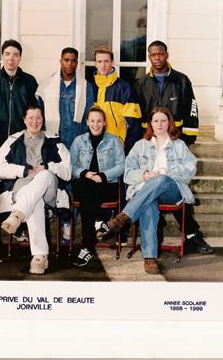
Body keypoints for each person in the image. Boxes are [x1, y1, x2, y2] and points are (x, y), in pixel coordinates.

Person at [133, 40, 212, 254]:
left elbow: (192, 111)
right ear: (149, 57)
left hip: (175, 142)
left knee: (176, 187)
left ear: (167, 54)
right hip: (150, 143)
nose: (157, 58)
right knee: (155, 186)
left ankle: (192, 235)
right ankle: (155, 232)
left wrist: (186, 141)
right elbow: (135, 115)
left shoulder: (181, 80)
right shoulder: (140, 83)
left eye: (160, 54)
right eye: (153, 55)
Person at [99, 107, 197, 274]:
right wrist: (144, 175)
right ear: (150, 123)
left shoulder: (179, 145)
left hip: (171, 190)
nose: (160, 124)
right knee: (149, 205)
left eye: (163, 120)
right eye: (156, 121)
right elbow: (128, 173)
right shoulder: (140, 145)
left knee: (160, 179)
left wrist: (168, 172)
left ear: (169, 123)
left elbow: (190, 169)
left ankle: (123, 216)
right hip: (146, 192)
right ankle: (149, 258)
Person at [0, 105, 71, 275]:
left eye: (38, 118)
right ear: (24, 120)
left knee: (44, 176)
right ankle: (39, 257)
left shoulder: (54, 140)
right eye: (31, 118)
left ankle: (17, 215)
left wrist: (48, 167)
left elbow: (67, 171)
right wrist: (23, 171)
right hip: (23, 189)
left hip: (49, 189)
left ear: (43, 120)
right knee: (35, 201)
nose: (35, 122)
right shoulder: (14, 139)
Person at [36, 47, 96, 244]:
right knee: (56, 182)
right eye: (66, 60)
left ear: (77, 63)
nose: (69, 64)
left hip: (77, 142)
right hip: (55, 141)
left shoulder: (86, 87)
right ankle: (57, 221)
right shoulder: (47, 86)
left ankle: (69, 225)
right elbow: (41, 117)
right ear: (60, 60)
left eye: (73, 61)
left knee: (75, 183)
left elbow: (89, 117)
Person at [69, 106, 125, 266]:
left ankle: (88, 245)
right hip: (84, 185)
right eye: (92, 121)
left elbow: (122, 165)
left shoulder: (114, 141)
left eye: (99, 121)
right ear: (87, 122)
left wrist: (103, 176)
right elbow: (70, 165)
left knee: (88, 193)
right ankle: (97, 226)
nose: (96, 124)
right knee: (86, 185)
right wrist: (85, 172)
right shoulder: (78, 141)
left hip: (106, 186)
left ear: (104, 122)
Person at [0, 39, 38, 147]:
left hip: (21, 137)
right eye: (7, 54)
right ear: (2, 56)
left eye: (15, 55)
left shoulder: (29, 81)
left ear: (20, 58)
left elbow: (35, 110)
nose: (11, 58)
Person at [92, 46, 142, 155]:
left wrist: (127, 148)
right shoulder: (91, 88)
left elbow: (133, 123)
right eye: (99, 61)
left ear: (112, 62)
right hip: (96, 147)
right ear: (95, 63)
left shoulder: (124, 87)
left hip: (118, 147)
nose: (103, 65)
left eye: (106, 61)